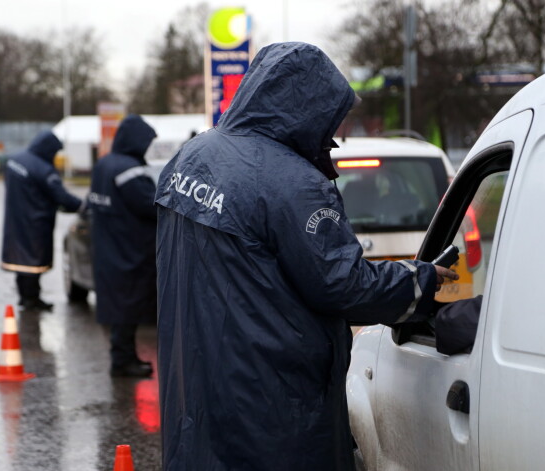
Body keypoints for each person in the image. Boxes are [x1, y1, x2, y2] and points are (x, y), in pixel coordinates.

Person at [154, 42, 458, 471]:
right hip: (271, 405)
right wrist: (419, 280)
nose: (335, 132)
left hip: (195, 390)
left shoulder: (192, 158)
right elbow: (344, 286)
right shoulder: (294, 183)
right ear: (307, 108)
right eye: (332, 117)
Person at [88, 114, 158, 378]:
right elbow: (151, 204)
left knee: (119, 305)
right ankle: (123, 362)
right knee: (128, 306)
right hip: (131, 247)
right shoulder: (128, 170)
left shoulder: (104, 164)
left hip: (109, 245)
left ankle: (123, 357)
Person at [1, 130, 83, 311]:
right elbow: (61, 197)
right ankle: (31, 298)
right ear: (48, 149)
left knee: (20, 260)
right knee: (32, 262)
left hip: (16, 220)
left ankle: (25, 296)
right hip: (35, 223)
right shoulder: (43, 170)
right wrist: (82, 206)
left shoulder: (14, 160)